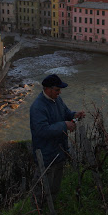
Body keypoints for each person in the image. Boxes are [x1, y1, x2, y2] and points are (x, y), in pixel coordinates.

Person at [30, 74, 85, 204]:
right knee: (42, 188)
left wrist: (74, 115)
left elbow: (66, 113)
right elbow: (42, 131)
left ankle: (51, 209)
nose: (59, 92)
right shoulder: (38, 107)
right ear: (47, 89)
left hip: (59, 151)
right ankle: (37, 213)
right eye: (57, 90)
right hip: (46, 154)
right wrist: (64, 125)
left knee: (55, 186)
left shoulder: (57, 99)